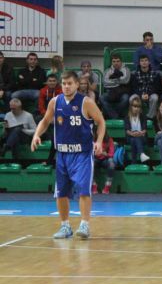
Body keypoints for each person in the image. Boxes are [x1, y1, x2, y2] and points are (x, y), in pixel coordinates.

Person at [31, 71, 106, 240]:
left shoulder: (86, 102)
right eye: (64, 83)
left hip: (82, 154)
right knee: (61, 192)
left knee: (83, 190)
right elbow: (45, 121)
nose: (66, 86)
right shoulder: (55, 101)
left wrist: (99, 141)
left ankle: (84, 224)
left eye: (69, 83)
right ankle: (65, 226)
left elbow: (101, 121)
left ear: (77, 84)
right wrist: (36, 135)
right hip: (62, 154)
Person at [124, 95, 150, 164]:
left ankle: (134, 162)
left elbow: (144, 130)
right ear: (131, 107)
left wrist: (139, 133)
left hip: (142, 137)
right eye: (134, 106)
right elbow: (127, 130)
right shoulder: (127, 117)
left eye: (138, 107)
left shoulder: (143, 117)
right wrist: (133, 134)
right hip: (130, 137)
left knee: (135, 139)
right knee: (133, 139)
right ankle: (142, 154)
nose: (136, 108)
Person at [92, 131, 115, 195]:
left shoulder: (109, 140)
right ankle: (93, 186)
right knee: (89, 164)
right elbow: (89, 152)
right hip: (95, 158)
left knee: (111, 163)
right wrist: (95, 153)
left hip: (105, 159)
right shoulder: (92, 139)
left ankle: (107, 186)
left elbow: (111, 154)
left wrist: (105, 154)